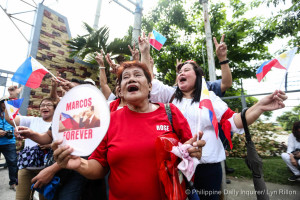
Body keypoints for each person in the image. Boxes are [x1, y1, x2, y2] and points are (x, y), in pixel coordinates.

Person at [50, 61, 206, 200]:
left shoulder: (170, 112)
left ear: (150, 86)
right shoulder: (108, 120)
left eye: (138, 75)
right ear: (120, 90)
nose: (132, 79)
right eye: (125, 77)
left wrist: (194, 152)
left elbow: (189, 149)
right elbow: (99, 167)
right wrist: (79, 164)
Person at [149, 60, 287, 199]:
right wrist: (145, 52)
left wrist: (260, 106)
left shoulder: (210, 98)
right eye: (179, 72)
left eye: (186, 70)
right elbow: (149, 83)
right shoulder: (170, 96)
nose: (181, 73)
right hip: (177, 167)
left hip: (208, 169)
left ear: (198, 76)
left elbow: (235, 121)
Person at [5, 97, 55, 200]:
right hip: (26, 167)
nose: (45, 107)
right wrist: (13, 96)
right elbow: (9, 118)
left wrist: (50, 145)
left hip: (46, 170)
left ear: (55, 108)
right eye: (42, 105)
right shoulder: (31, 120)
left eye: (49, 105)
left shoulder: (58, 125)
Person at [0, 97, 18, 191]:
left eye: (8, 101)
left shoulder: (14, 112)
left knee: (13, 162)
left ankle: (13, 182)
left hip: (9, 142)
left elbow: (19, 124)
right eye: (4, 101)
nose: (6, 103)